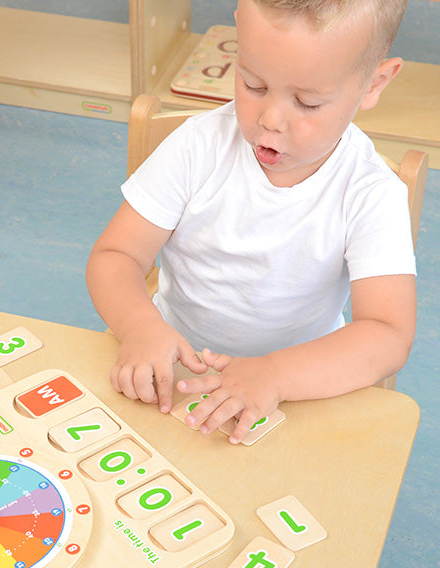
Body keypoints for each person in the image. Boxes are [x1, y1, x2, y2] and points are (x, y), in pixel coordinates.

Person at [86, 0, 416, 444]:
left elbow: (387, 334)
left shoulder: (371, 193)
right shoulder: (197, 147)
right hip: (174, 366)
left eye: (307, 102)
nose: (270, 120)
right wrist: (141, 328)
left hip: (300, 386)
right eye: (253, 84)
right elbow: (116, 255)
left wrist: (276, 376)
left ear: (375, 83)